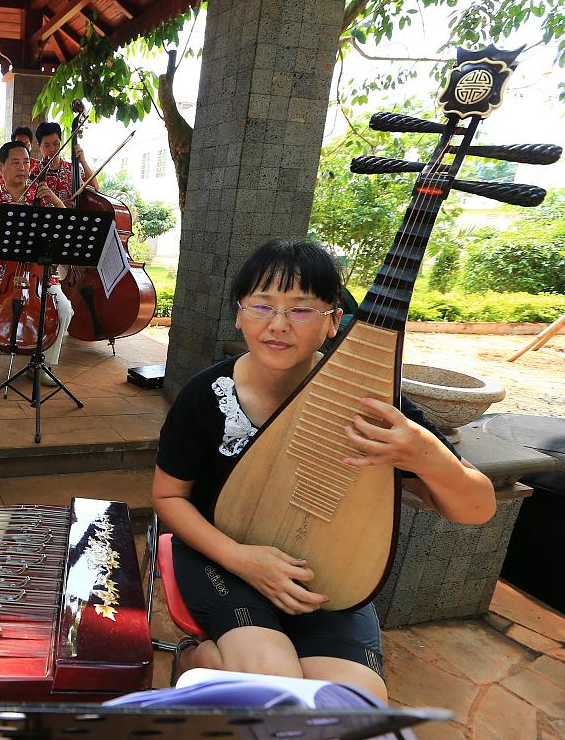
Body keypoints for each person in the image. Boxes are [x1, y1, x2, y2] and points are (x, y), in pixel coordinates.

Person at [153, 240, 497, 701]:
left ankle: (214, 665)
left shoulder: (375, 407)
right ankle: (199, 659)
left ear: (334, 322)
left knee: (350, 708)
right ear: (239, 315)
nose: (277, 324)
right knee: (277, 688)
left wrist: (423, 454)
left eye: (301, 310)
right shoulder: (206, 394)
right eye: (261, 305)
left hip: (327, 575)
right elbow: (168, 497)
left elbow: (477, 508)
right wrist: (241, 558)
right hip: (222, 554)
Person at [0, 141, 73, 383]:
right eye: (15, 162)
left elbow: (66, 230)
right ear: (1, 167)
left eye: (26, 162)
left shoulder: (42, 198)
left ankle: (42, 362)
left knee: (64, 310)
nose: (22, 167)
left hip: (39, 274)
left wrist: (55, 200)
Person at [33, 120, 94, 204]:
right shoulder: (34, 172)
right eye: (47, 145)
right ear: (39, 146)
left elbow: (95, 189)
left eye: (56, 144)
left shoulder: (72, 169)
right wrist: (61, 205)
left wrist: (83, 162)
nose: (52, 149)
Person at [0, 126, 34, 194]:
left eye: (26, 144)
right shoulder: (4, 166)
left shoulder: (40, 167)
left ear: (31, 145)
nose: (22, 168)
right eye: (16, 162)